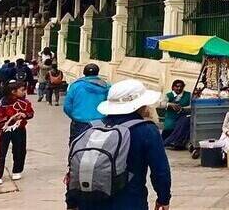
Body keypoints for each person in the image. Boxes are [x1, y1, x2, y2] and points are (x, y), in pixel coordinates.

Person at [67, 79, 171, 210]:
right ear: (140, 105)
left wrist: (71, 202)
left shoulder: (90, 127)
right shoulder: (146, 130)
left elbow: (75, 169)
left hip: (89, 202)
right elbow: (160, 171)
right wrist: (163, 199)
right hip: (129, 202)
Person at [0, 81, 34, 185]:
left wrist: (24, 115)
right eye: (22, 90)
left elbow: (30, 113)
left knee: (20, 150)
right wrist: (10, 118)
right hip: (3, 131)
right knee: (0, 153)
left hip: (19, 129)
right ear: (13, 91)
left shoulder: (24, 103)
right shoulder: (0, 104)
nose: (24, 92)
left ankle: (17, 170)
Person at [63, 63, 110, 143]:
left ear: (84, 73)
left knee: (76, 146)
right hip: (101, 123)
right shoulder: (107, 86)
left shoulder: (75, 86)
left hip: (80, 123)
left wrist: (75, 116)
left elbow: (67, 106)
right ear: (97, 72)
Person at [158, 79, 192, 149]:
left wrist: (182, 109)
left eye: (181, 86)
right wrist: (169, 104)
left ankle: (177, 143)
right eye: (177, 86)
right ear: (173, 87)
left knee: (183, 124)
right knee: (169, 129)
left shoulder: (188, 95)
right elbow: (161, 104)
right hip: (171, 118)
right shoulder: (168, 95)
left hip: (183, 117)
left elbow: (192, 106)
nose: (179, 88)